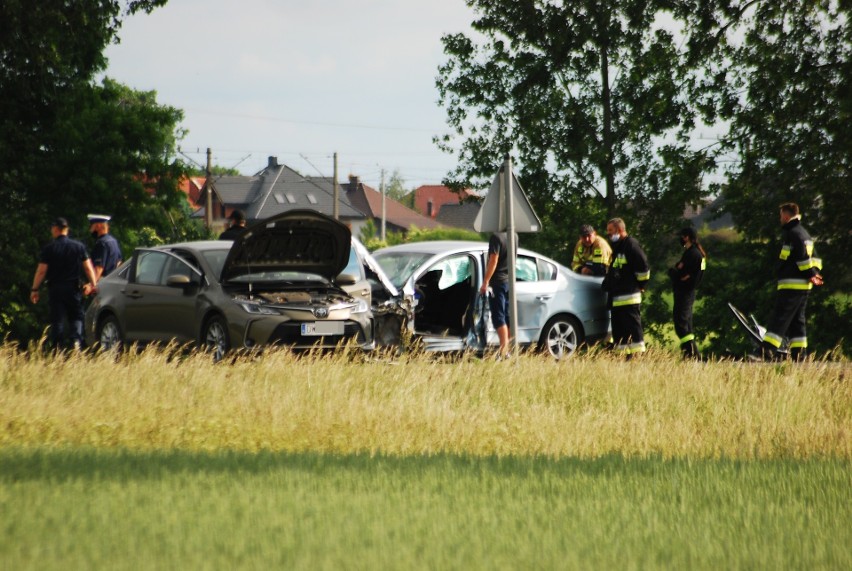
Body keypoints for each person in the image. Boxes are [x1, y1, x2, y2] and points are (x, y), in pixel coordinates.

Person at [758, 202, 823, 361]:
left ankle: (767, 349)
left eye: (781, 216)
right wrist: (814, 273)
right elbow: (813, 258)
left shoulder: (793, 233)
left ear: (786, 216)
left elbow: (801, 258)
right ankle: (800, 355)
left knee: (780, 316)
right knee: (797, 321)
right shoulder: (804, 233)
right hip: (802, 285)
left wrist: (810, 273)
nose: (780, 219)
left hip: (791, 284)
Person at [30, 217, 98, 350]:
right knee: (76, 317)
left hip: (55, 289)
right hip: (73, 289)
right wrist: (93, 285)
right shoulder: (79, 247)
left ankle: (57, 350)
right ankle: (76, 344)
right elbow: (88, 268)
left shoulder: (49, 249)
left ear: (55, 229)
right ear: (66, 230)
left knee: (57, 320)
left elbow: (41, 271)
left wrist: (34, 289)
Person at [602, 218, 650, 357]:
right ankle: (623, 360)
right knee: (619, 335)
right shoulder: (619, 247)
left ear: (620, 230)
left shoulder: (631, 245)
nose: (609, 235)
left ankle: (637, 359)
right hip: (617, 299)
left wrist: (640, 285)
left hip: (629, 298)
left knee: (634, 333)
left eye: (611, 231)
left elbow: (644, 270)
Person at [668, 227, 706, 358]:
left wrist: (676, 273)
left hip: (684, 293)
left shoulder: (692, 254)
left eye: (682, 236)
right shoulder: (696, 253)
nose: (681, 239)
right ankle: (690, 354)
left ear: (687, 237)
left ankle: (692, 354)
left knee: (681, 324)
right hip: (688, 292)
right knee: (686, 324)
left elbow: (683, 273)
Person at [479, 232, 511, 358]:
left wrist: (485, 282)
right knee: (507, 317)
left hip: (497, 282)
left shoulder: (496, 237)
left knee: (499, 317)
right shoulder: (513, 235)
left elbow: (493, 260)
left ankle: (504, 352)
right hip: (508, 282)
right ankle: (507, 349)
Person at [87, 213, 122, 283]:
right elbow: (119, 262)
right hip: (111, 282)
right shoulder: (113, 241)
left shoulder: (101, 243)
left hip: (101, 283)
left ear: (98, 226)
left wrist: (91, 285)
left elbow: (99, 268)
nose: (90, 229)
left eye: (91, 226)